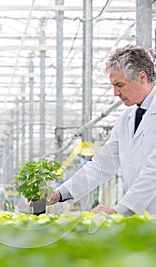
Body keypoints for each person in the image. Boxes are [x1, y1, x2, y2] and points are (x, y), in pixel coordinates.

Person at [47, 44, 156, 216]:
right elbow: (102, 165)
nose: (115, 93)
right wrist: (60, 193)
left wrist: (119, 210)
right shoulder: (126, 118)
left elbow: (154, 171)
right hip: (140, 222)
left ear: (142, 77)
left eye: (120, 84)